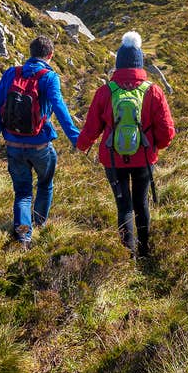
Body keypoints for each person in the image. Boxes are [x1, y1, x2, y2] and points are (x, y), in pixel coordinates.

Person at [76, 31, 175, 259]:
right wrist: (155, 147)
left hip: (113, 159)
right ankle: (145, 251)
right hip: (144, 159)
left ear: (118, 64)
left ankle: (126, 255)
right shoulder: (153, 91)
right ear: (140, 63)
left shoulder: (105, 92)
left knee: (124, 207)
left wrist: (82, 145)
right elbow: (167, 130)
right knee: (142, 204)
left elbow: (92, 127)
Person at [0, 36, 80, 249]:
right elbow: (60, 108)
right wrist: (76, 138)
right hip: (40, 146)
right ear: (50, 55)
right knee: (45, 184)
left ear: (30, 52)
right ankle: (40, 223)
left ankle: (24, 236)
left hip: (13, 146)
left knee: (23, 192)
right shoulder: (49, 77)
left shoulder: (11, 73)